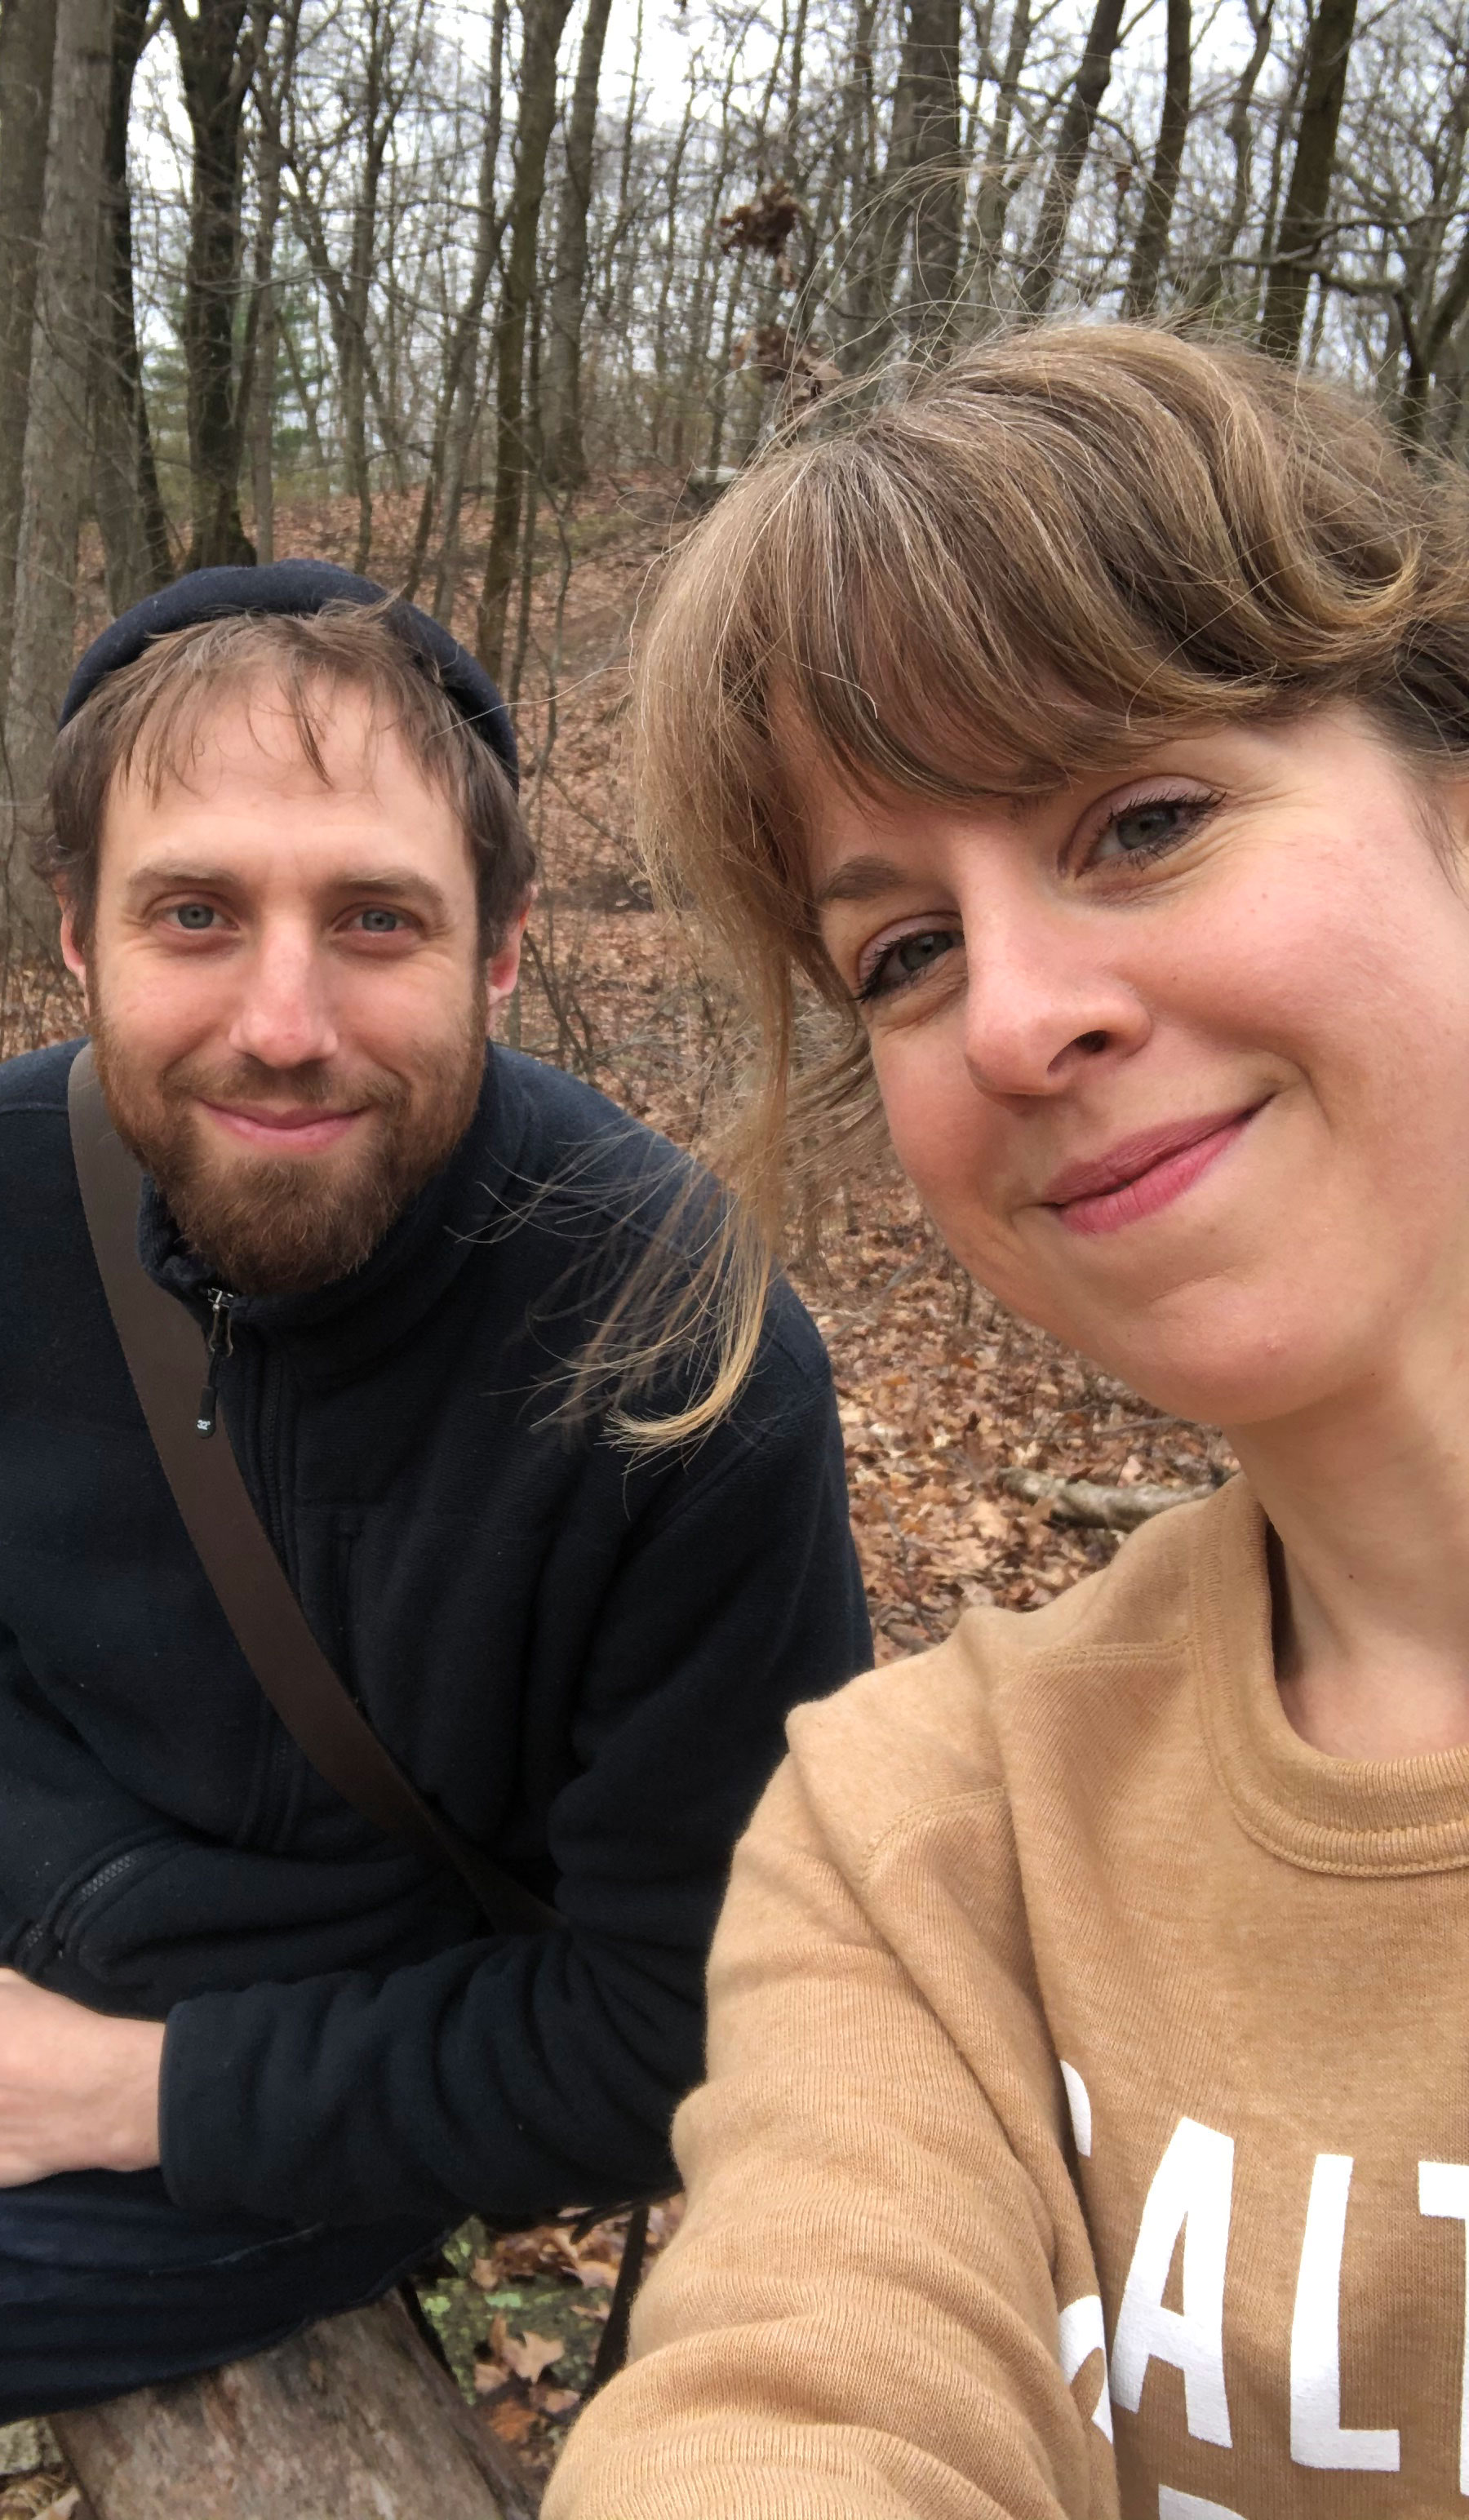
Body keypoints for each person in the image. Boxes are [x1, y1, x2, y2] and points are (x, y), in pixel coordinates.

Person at [0, 562, 871, 2518]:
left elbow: (680, 2022)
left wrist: (133, 2092)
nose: (283, 1021)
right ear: (76, 938)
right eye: (195, 911)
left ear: (501, 948)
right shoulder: (13, 1178)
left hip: (281, 2077)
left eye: (374, 920)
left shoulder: (678, 1364)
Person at [544, 326, 1469, 2520]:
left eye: (1142, 820)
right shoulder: (927, 1833)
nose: (1026, 1016)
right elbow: (798, 2398)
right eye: (905, 954)